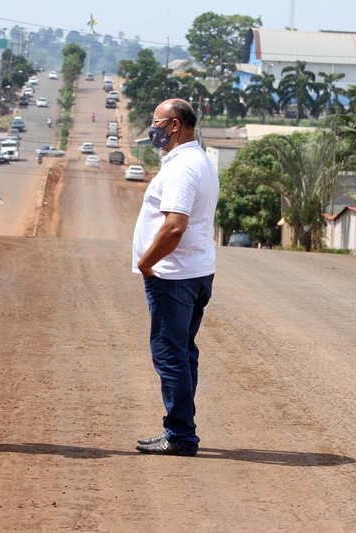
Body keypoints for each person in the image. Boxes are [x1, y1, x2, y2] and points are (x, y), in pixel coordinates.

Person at [132, 98, 219, 457]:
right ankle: (179, 427)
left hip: (174, 275)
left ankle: (181, 434)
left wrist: (145, 262)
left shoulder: (183, 167)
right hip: (194, 271)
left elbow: (174, 227)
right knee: (183, 353)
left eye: (157, 122)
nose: (152, 129)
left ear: (175, 126)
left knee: (170, 354)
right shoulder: (198, 160)